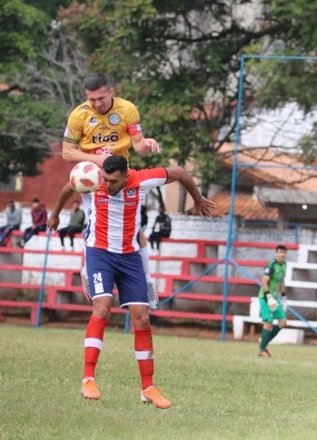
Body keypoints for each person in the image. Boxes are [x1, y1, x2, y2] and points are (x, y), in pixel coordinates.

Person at [47, 155, 215, 409]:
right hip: (99, 253)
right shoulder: (92, 179)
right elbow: (69, 187)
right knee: (102, 308)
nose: (107, 185)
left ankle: (148, 387)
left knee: (142, 318)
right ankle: (88, 379)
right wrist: (55, 214)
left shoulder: (142, 180)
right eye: (105, 179)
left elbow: (180, 172)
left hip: (129, 256)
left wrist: (198, 198)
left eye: (113, 181)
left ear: (127, 175)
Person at [62, 72, 161, 308]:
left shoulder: (127, 110)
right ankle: (88, 270)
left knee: (135, 230)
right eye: (91, 99)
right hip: (92, 177)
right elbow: (67, 153)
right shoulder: (79, 115)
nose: (96, 103)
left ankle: (146, 280)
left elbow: (138, 145)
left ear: (111, 92)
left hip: (121, 175)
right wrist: (96, 160)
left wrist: (147, 145)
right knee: (96, 226)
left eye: (101, 98)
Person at [257, 245, 288, 358]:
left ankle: (263, 344)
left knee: (283, 322)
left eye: (284, 252)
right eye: (280, 252)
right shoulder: (271, 265)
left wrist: (284, 297)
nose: (282, 254)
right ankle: (262, 349)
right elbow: (264, 281)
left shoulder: (284, 265)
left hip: (275, 298)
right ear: (276, 254)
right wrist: (268, 296)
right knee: (269, 322)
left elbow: (281, 281)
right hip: (266, 298)